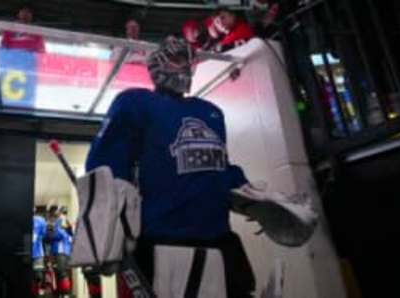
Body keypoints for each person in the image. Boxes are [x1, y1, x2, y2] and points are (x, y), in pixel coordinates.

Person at [85, 36, 255, 298]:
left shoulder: (212, 112)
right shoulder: (135, 102)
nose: (185, 67)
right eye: (177, 60)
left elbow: (220, 168)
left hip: (219, 235)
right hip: (164, 235)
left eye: (188, 61)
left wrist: (252, 195)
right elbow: (106, 163)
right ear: (157, 65)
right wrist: (105, 228)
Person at [48, 209, 73, 297]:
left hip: (60, 251)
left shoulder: (61, 220)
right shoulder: (66, 221)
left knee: (61, 273)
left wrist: (51, 229)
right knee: (62, 273)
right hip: (65, 252)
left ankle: (65, 295)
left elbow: (58, 235)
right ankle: (63, 295)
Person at [32, 211, 47, 297]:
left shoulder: (40, 220)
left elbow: (43, 234)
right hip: (26, 252)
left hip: (38, 253)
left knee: (38, 275)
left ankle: (38, 293)